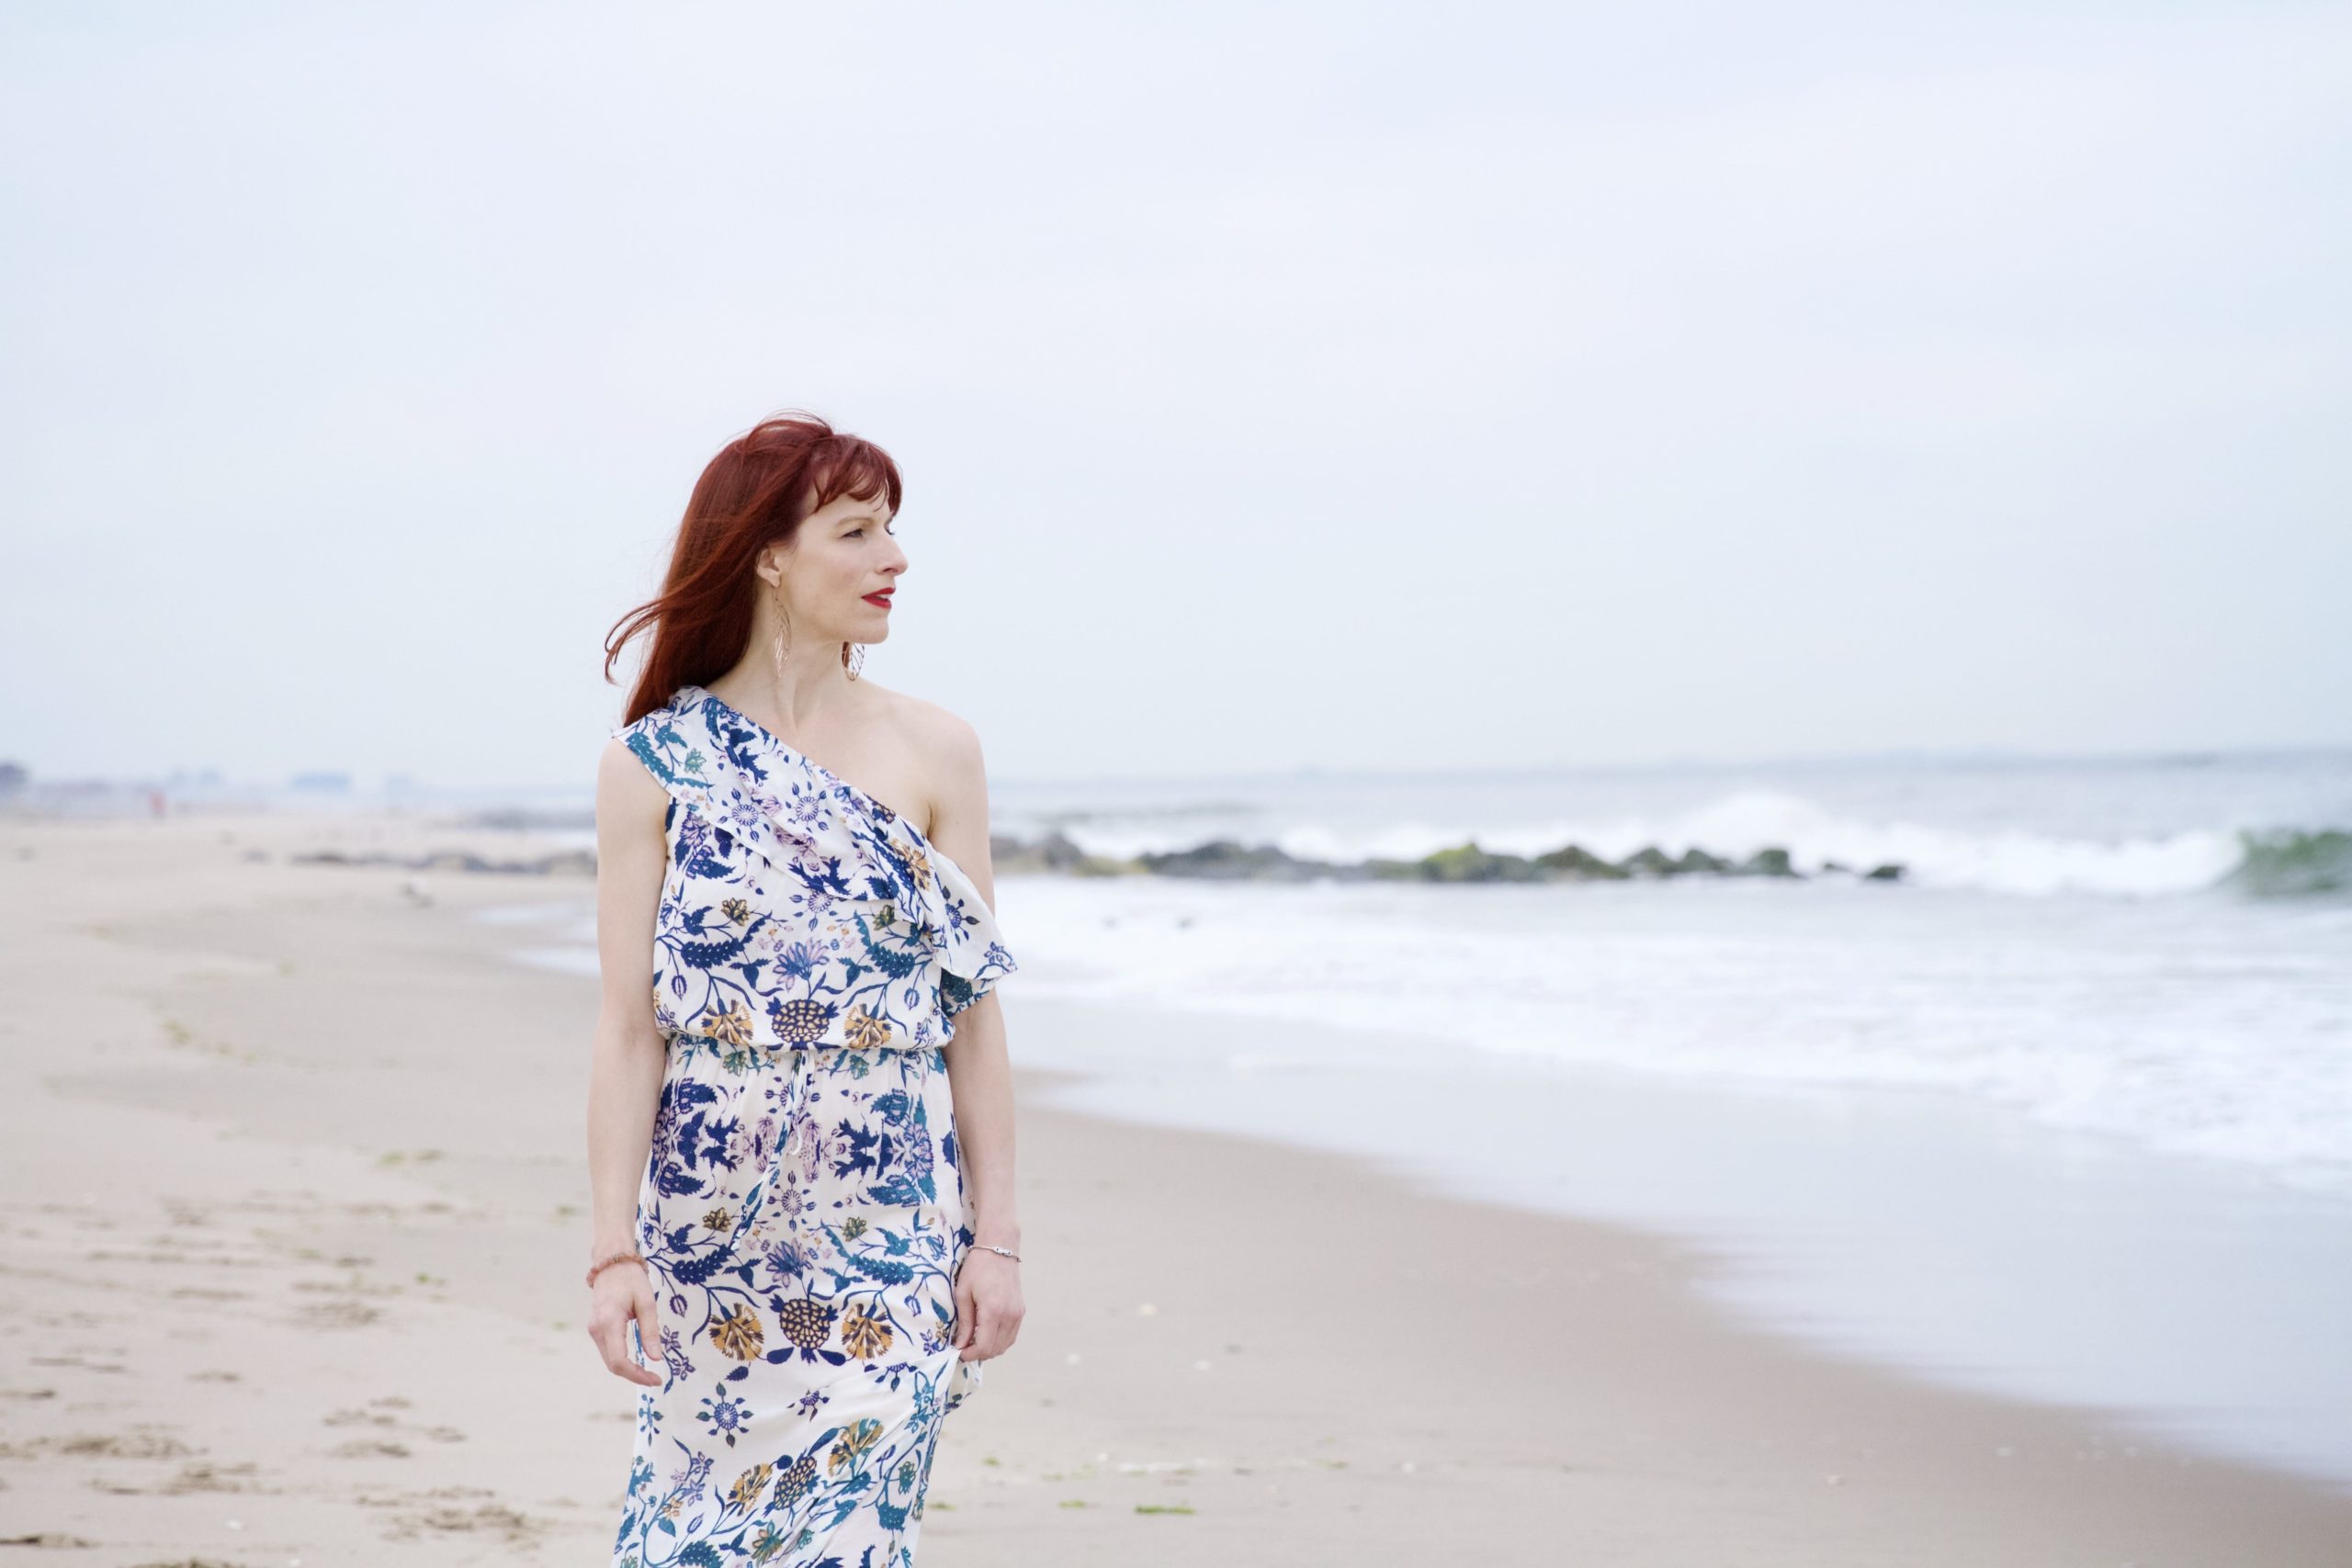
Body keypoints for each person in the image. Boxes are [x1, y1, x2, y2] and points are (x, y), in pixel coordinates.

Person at [584, 412, 1023, 1566]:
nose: (895, 559)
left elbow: (973, 1019)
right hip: (710, 1231)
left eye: (892, 529)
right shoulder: (653, 765)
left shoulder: (937, 750)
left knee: (855, 1541)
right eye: (857, 531)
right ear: (768, 555)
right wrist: (612, 1252)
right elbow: (629, 1031)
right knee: (699, 1539)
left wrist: (997, 1240)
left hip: (890, 1222)